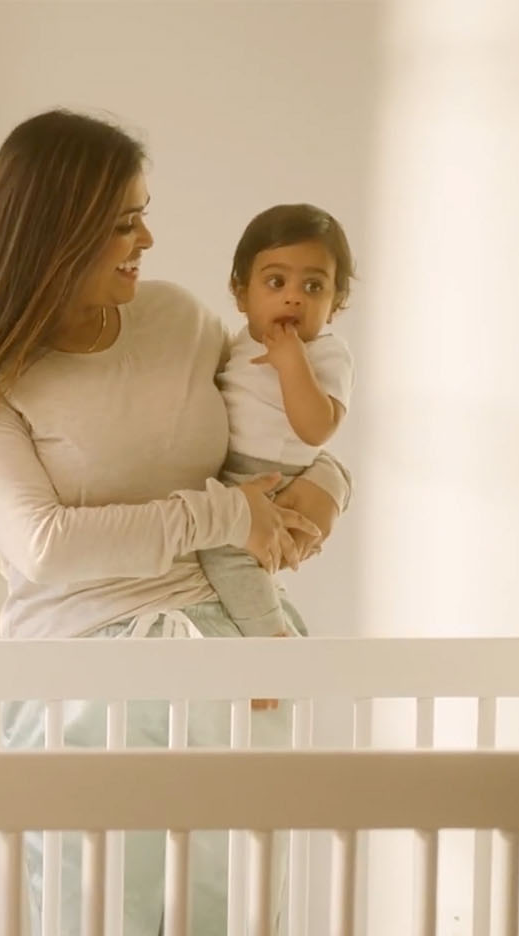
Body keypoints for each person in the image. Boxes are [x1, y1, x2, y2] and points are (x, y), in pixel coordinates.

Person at [0, 109, 352, 936]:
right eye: (122, 221)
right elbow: (45, 544)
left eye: (143, 213)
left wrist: (326, 488)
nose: (146, 238)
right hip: (86, 675)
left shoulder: (176, 320)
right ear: (54, 231)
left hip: (232, 647)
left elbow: (270, 438)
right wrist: (227, 516)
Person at [196, 204, 357, 638]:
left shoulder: (327, 353)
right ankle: (267, 621)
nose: (293, 297)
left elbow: (317, 428)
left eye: (313, 286)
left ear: (336, 303)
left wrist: (292, 363)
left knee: (226, 552)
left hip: (284, 474)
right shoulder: (236, 344)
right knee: (226, 546)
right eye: (275, 282)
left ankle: (269, 636)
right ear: (241, 294)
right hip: (238, 475)